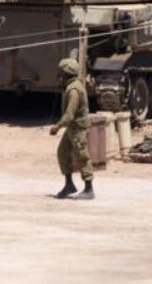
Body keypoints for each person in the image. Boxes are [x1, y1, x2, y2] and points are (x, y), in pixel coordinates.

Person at [49, 57, 94, 199]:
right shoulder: (70, 86)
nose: (58, 75)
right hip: (72, 129)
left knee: (82, 157)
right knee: (62, 152)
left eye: (61, 72)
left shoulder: (73, 89)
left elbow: (69, 115)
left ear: (67, 73)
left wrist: (57, 127)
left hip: (78, 128)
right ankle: (69, 185)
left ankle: (89, 189)